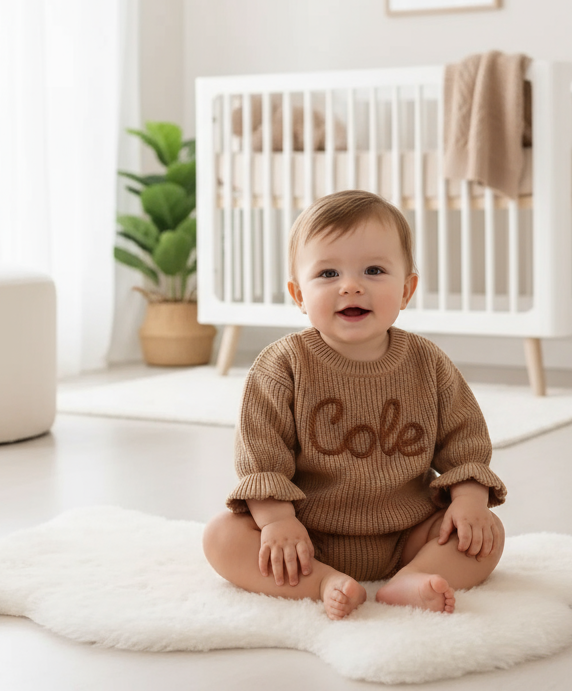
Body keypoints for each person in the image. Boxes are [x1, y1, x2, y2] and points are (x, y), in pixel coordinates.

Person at [202, 190, 506, 620]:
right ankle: (323, 581)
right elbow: (260, 459)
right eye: (327, 273)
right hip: (305, 536)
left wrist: (470, 501)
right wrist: (276, 522)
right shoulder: (281, 366)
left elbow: (467, 444)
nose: (351, 285)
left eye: (374, 270)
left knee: (485, 533)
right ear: (298, 295)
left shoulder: (429, 364)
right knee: (221, 536)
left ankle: (413, 578)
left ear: (406, 289)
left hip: (409, 533)